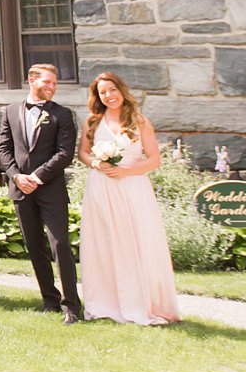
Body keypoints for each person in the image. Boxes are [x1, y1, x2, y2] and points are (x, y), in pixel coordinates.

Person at [77, 71, 181, 325]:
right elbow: (83, 153)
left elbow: (154, 160)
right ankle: (105, 302)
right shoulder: (93, 120)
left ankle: (140, 302)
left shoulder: (139, 121)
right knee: (103, 243)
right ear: (97, 97)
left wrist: (125, 171)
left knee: (136, 242)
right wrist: (96, 164)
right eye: (103, 92)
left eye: (112, 89)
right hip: (101, 188)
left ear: (121, 90)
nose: (109, 95)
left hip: (132, 187)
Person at [0, 63, 81, 324]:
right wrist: (16, 176)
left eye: (55, 84)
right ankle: (49, 300)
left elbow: (65, 153)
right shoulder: (10, 111)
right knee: (34, 246)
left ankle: (72, 306)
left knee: (60, 244)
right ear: (32, 80)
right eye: (48, 83)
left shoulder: (62, 115)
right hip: (21, 191)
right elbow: (3, 149)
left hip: (51, 190)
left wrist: (36, 176)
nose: (52, 88)